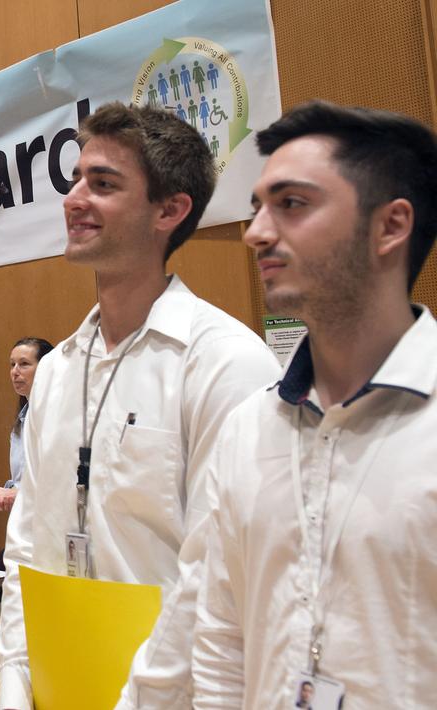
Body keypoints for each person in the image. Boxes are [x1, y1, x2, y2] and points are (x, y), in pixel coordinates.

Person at [0, 102, 279, 710]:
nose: (74, 198)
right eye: (74, 180)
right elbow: (28, 544)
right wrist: (17, 679)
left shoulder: (225, 362)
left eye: (103, 184)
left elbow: (223, 578)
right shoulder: (55, 372)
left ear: (169, 210)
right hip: (58, 684)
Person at [192, 102, 437, 708]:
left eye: (292, 204)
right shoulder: (248, 428)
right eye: (255, 209)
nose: (257, 232)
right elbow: (221, 641)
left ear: (390, 226)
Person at [0, 338, 53, 514]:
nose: (15, 372)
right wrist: (12, 490)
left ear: (46, 368)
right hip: (27, 516)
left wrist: (18, 494)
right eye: (12, 364)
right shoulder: (23, 415)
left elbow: (60, 480)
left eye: (24, 364)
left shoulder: (54, 415)